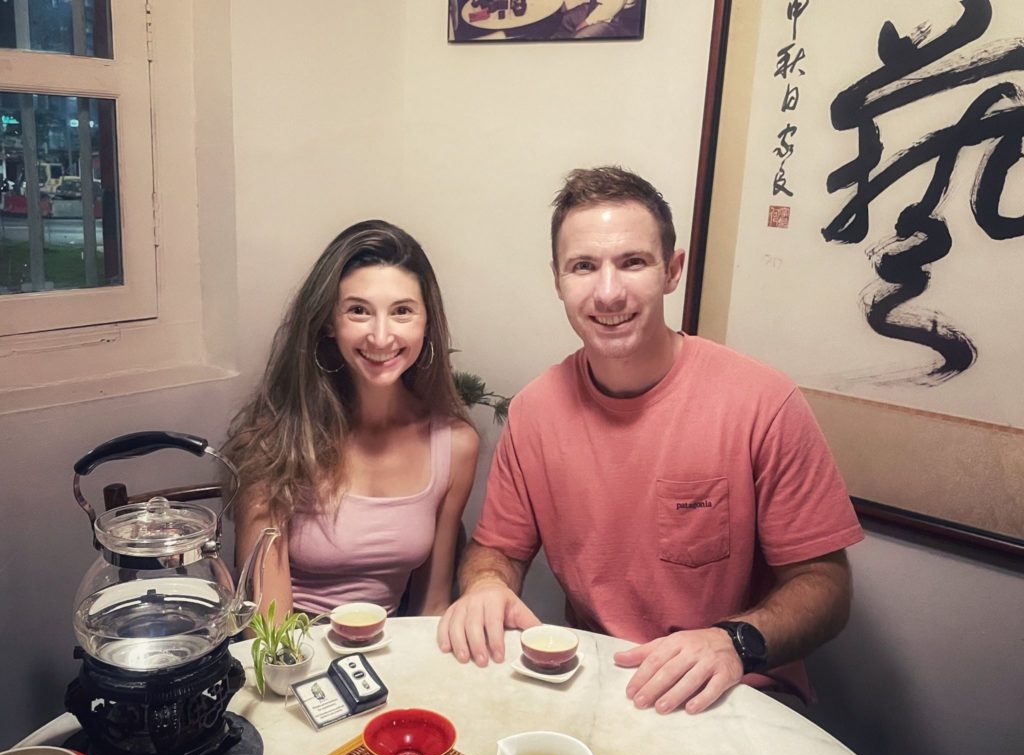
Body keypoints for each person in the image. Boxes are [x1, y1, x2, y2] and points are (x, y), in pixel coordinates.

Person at [438, 166, 863, 714]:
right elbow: (496, 550)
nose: (608, 292)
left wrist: (733, 641)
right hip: (597, 683)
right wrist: (486, 587)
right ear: (558, 280)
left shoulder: (761, 402)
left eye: (632, 262)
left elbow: (825, 586)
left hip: (733, 691)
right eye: (584, 267)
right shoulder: (535, 412)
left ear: (672, 270)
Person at [225, 220, 479, 621]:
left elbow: (431, 608)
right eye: (359, 310)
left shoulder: (456, 444)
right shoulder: (273, 442)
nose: (381, 337)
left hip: (389, 660)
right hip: (294, 660)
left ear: (426, 323)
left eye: (402, 312)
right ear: (329, 321)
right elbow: (267, 631)